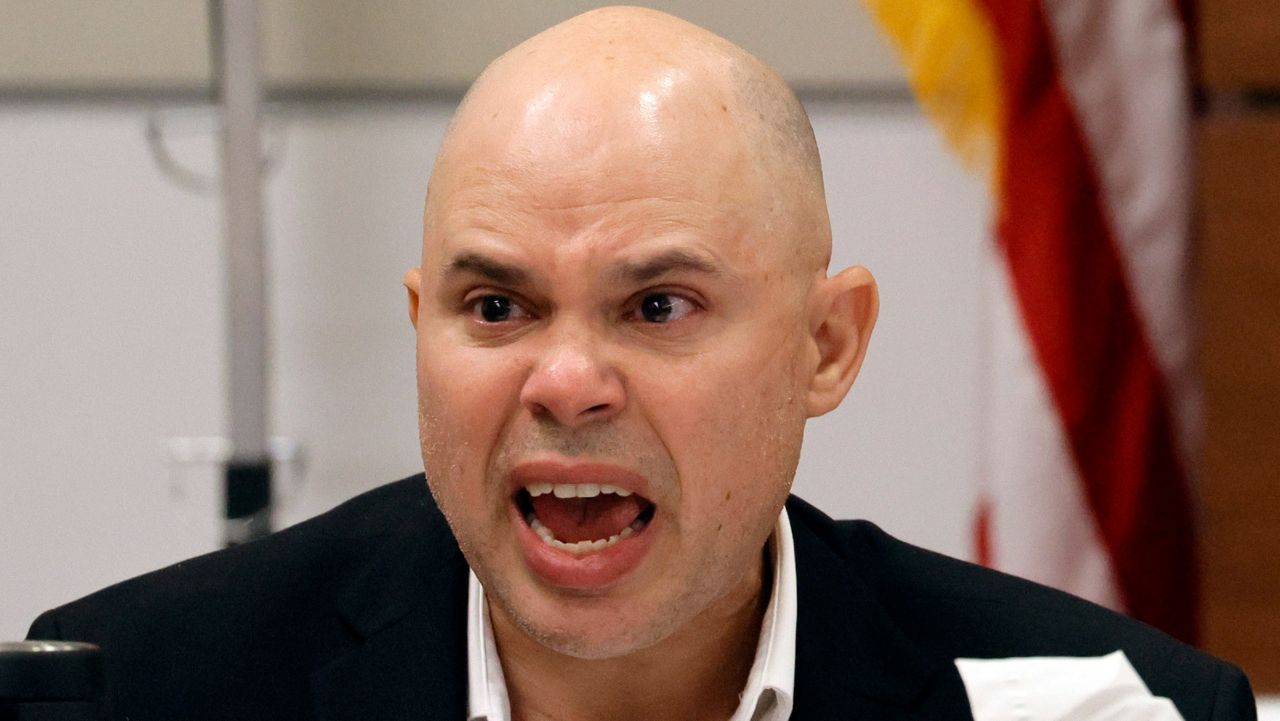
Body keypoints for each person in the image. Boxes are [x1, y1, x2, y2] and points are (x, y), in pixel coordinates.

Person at [28, 7, 1254, 720]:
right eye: (496, 305)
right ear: (419, 327)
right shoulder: (136, 697)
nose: (564, 382)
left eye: (656, 305)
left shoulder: (1099, 711)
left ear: (826, 346)